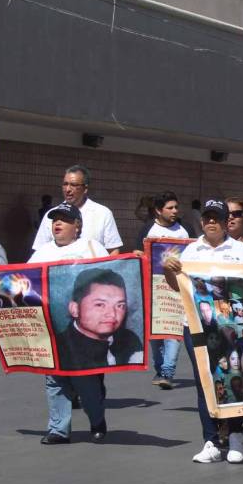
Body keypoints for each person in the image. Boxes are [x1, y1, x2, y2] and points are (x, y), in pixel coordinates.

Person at [162, 199, 243, 465]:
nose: (211, 222)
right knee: (204, 383)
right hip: (196, 325)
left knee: (232, 378)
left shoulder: (241, 251)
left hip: (231, 327)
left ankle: (236, 436)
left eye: (217, 217)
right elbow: (176, 285)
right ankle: (211, 442)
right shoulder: (191, 251)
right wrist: (168, 270)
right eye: (207, 218)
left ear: (226, 221)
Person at [27, 204, 120, 445]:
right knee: (55, 379)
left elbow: (110, 276)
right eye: (54, 220)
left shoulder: (91, 247)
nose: (57, 224)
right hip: (52, 328)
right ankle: (58, 429)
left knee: (84, 380)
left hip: (85, 331)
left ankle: (97, 420)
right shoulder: (43, 252)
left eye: (64, 220)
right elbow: (26, 281)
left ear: (77, 225)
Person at [138, 191, 190, 390]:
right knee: (156, 333)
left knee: (173, 329)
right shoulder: (148, 230)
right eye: (170, 208)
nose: (175, 211)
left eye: (176, 207)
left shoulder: (183, 231)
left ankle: (168, 372)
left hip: (176, 287)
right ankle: (159, 369)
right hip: (153, 289)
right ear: (159, 210)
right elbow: (138, 253)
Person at [54, 267, 144, 371]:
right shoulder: (56, 350)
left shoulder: (129, 340)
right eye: (100, 305)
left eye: (120, 306)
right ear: (75, 309)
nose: (112, 314)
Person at [32, 165, 122, 253]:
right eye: (65, 184)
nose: (68, 189)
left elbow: (113, 250)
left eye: (73, 185)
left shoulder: (103, 213)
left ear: (85, 188)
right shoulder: (51, 215)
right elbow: (39, 251)